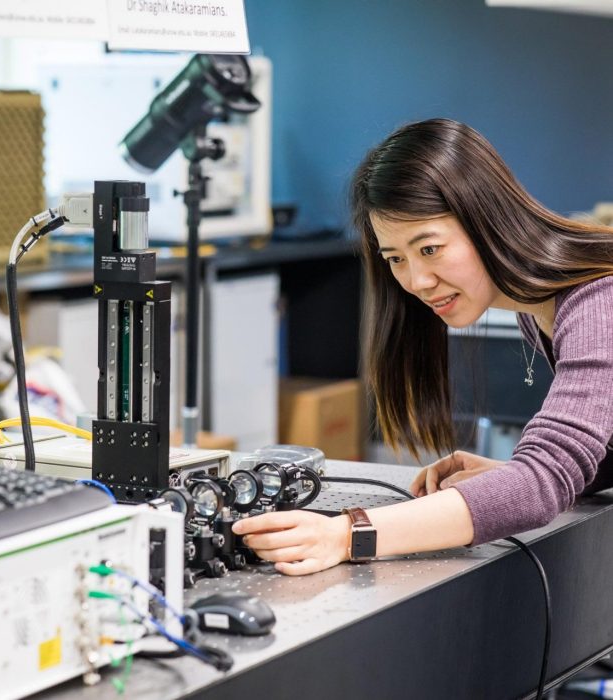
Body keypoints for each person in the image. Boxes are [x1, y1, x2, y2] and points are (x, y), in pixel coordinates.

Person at [232, 118, 613, 576]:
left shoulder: (597, 300)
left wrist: (347, 533)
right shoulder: (540, 307)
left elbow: (540, 488)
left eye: (429, 249)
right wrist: (507, 479)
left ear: (485, 218)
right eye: (395, 259)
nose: (417, 282)